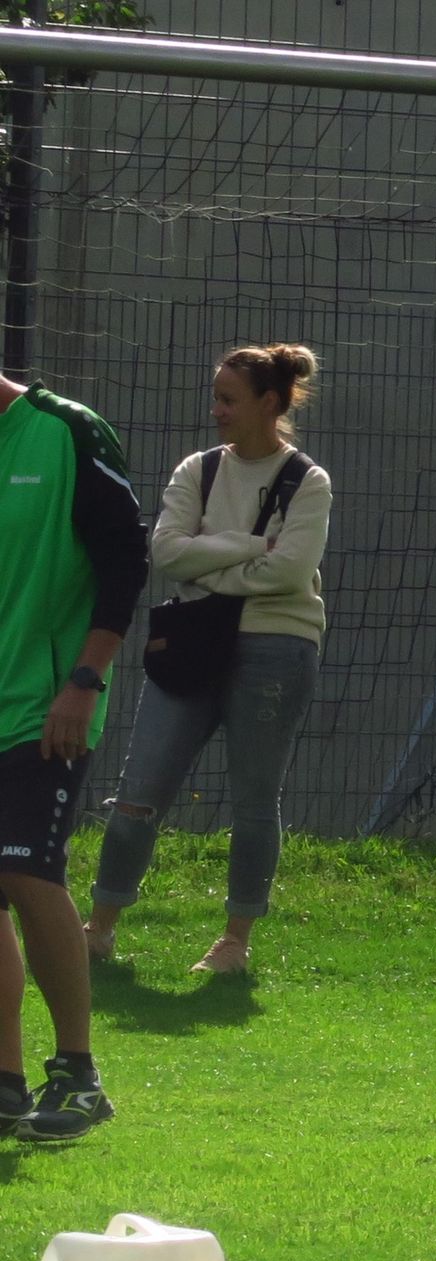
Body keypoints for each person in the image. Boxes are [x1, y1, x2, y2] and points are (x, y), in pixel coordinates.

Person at [84, 345, 331, 976]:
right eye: (215, 397)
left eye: (228, 399)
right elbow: (167, 552)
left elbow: (291, 571)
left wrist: (211, 563)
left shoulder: (308, 480)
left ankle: (234, 943)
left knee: (255, 799)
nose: (216, 410)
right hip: (191, 644)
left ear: (269, 404)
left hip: (278, 646)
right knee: (138, 793)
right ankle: (99, 928)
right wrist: (251, 545)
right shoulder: (198, 469)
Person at [0, 371, 147, 1142]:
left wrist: (85, 680)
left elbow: (126, 560)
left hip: (46, 705)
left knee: (27, 871)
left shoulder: (66, 430)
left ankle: (79, 1076)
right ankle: (5, 1082)